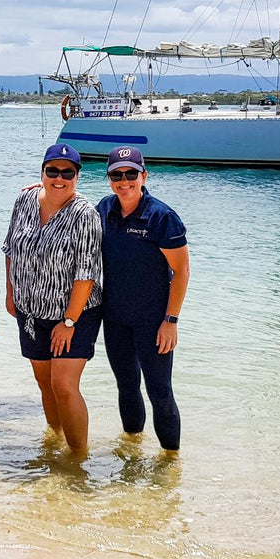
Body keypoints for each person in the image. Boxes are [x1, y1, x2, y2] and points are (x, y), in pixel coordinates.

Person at [3, 144, 102, 454]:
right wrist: (10, 293)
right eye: (53, 171)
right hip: (31, 313)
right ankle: (54, 443)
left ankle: (78, 458)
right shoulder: (24, 200)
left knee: (64, 386)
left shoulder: (84, 214)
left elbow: (86, 273)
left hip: (75, 314)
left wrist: (69, 322)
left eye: (67, 172)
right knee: (45, 382)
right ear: (42, 172)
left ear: (77, 176)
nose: (59, 178)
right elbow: (10, 249)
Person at [96, 146, 189, 452]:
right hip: (115, 319)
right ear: (109, 178)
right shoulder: (103, 210)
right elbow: (68, 209)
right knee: (126, 386)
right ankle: (132, 452)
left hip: (153, 321)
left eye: (131, 174)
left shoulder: (162, 217)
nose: (124, 181)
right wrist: (38, 189)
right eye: (117, 175)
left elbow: (182, 271)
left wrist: (170, 321)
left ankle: (170, 465)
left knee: (160, 391)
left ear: (144, 176)